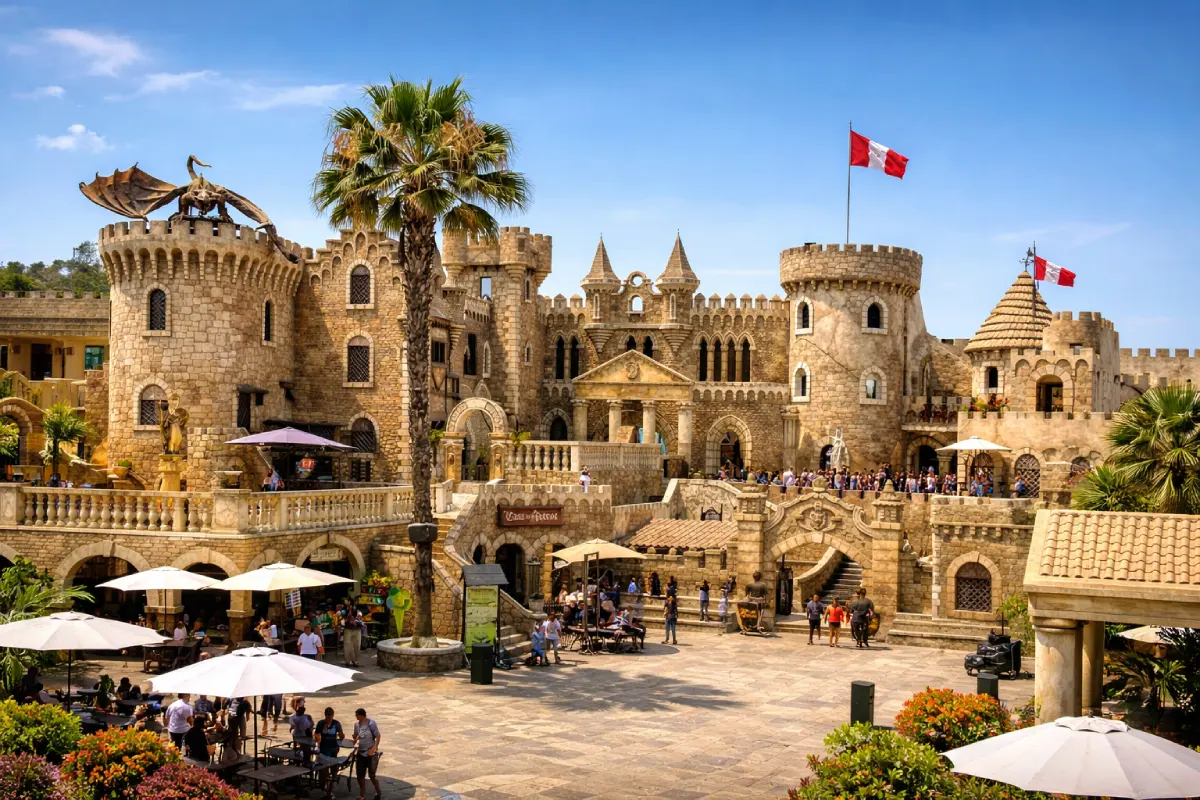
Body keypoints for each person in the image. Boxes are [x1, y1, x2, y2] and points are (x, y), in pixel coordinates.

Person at [352, 708, 382, 800]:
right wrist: (355, 738)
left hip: (371, 754)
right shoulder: (356, 725)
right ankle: (362, 796)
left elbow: (377, 736)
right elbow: (356, 736)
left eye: (357, 715)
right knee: (360, 775)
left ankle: (378, 791)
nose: (356, 717)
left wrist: (375, 748)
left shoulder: (371, 723)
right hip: (361, 753)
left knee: (372, 775)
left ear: (361, 715)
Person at [316, 707, 345, 798]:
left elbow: (341, 736)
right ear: (325, 715)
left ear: (332, 715)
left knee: (333, 766)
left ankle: (333, 779)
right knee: (323, 771)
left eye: (330, 715)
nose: (328, 717)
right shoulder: (321, 723)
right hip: (324, 749)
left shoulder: (336, 724)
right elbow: (316, 735)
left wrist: (341, 735)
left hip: (333, 748)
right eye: (327, 715)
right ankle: (324, 787)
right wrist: (318, 741)